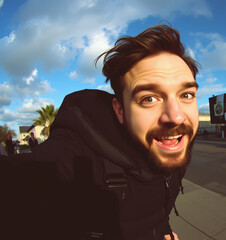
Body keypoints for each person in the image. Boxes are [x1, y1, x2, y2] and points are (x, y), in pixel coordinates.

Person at [0, 25, 199, 240]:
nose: (176, 117)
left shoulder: (173, 145)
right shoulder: (77, 158)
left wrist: (163, 231)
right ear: (120, 111)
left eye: (186, 95)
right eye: (149, 99)